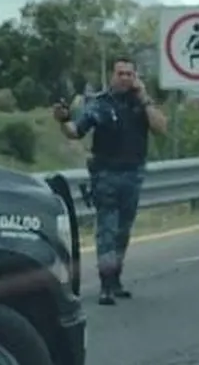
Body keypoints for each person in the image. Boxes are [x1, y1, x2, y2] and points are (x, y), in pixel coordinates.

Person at [53, 57, 168, 305]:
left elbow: (161, 128)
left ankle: (116, 279)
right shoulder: (100, 104)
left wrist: (145, 98)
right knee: (107, 229)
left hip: (133, 174)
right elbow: (76, 131)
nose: (125, 78)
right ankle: (105, 283)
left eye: (129, 73)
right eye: (120, 73)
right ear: (112, 76)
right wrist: (62, 120)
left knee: (123, 231)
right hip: (106, 175)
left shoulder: (142, 105)